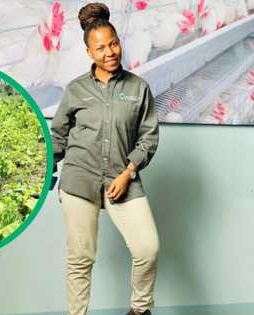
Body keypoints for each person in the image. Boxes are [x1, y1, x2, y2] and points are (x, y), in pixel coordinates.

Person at [51, 3, 160, 315]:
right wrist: (38, 168)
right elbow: (58, 136)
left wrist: (128, 172)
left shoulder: (138, 88)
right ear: (88, 52)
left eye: (114, 44)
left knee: (147, 248)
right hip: (79, 180)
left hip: (121, 179)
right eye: (100, 48)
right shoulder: (75, 90)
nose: (110, 52)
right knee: (80, 258)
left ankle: (140, 311)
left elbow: (149, 136)